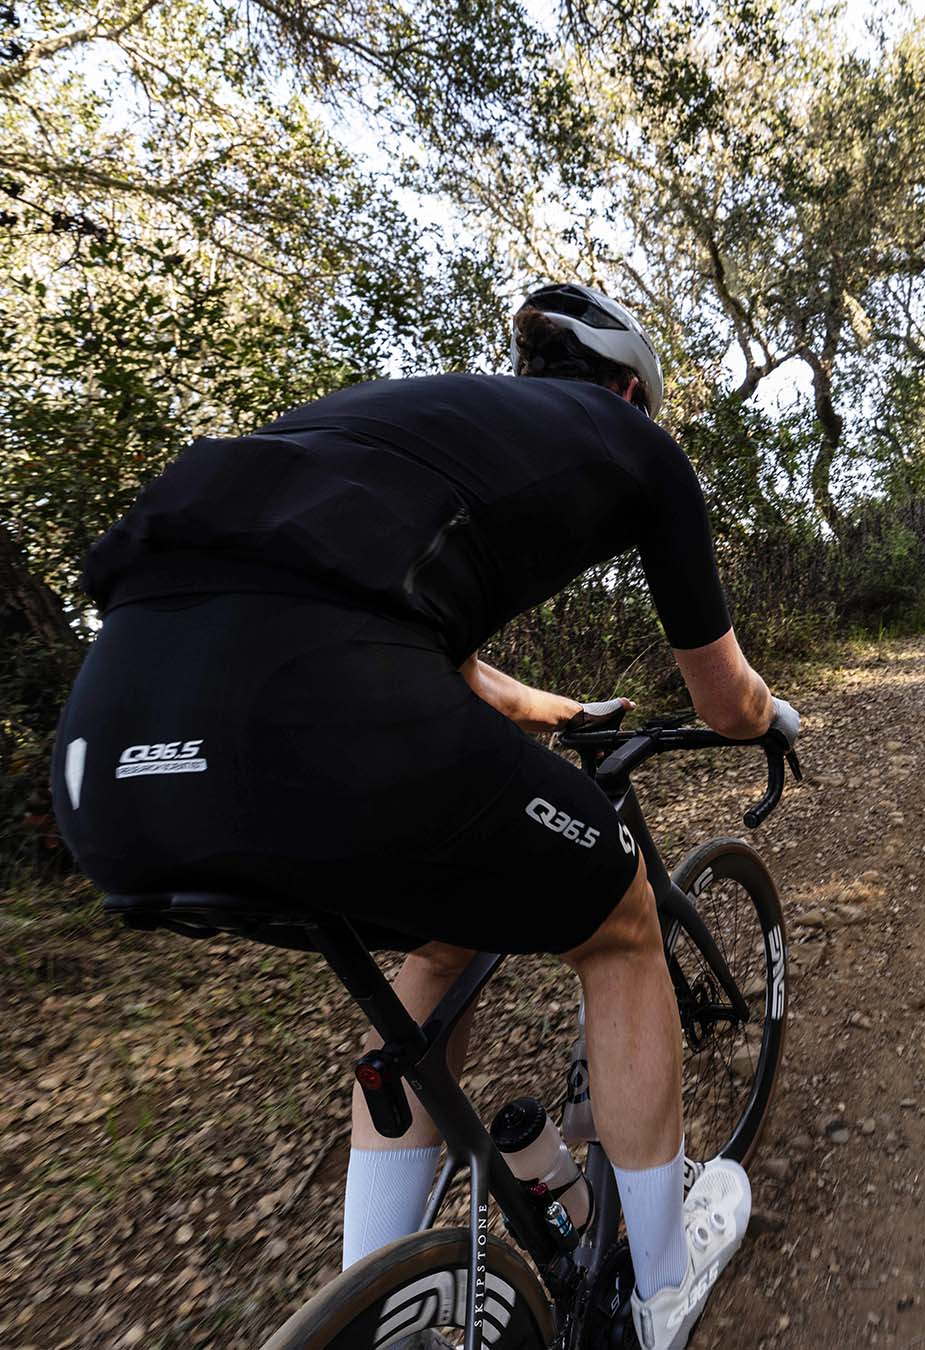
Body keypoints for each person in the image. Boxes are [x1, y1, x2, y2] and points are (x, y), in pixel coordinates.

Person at [50, 283, 786, 1350]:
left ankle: (374, 1309)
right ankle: (662, 1292)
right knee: (622, 917)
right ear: (633, 388)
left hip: (107, 763)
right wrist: (774, 718)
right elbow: (726, 701)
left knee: (442, 936)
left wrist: (568, 713)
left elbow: (450, 667)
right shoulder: (635, 446)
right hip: (316, 713)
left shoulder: (399, 420)